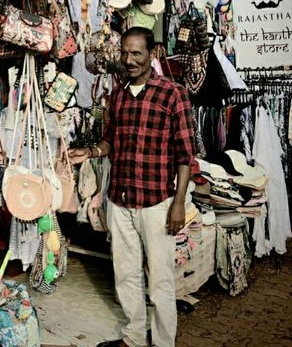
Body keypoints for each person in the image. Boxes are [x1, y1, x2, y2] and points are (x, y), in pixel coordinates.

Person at [69, 26, 195, 347]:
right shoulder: (118, 96)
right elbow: (111, 139)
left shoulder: (173, 94)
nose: (129, 60)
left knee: (161, 280)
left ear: (152, 54)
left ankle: (164, 342)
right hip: (120, 201)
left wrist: (178, 203)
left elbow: (185, 155)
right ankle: (135, 336)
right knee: (125, 275)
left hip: (156, 203)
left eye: (136, 53)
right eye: (125, 53)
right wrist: (93, 151)